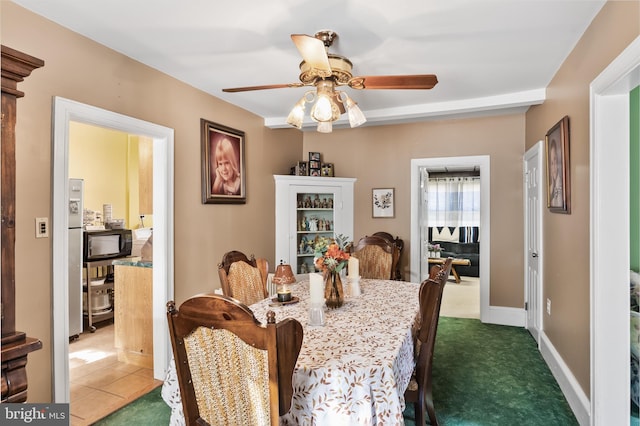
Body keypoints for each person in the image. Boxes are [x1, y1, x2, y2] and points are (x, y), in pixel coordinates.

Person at [548, 138, 563, 207]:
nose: (554, 166)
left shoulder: (560, 184)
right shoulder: (552, 186)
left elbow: (559, 204)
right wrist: (553, 183)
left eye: (555, 160)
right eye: (551, 163)